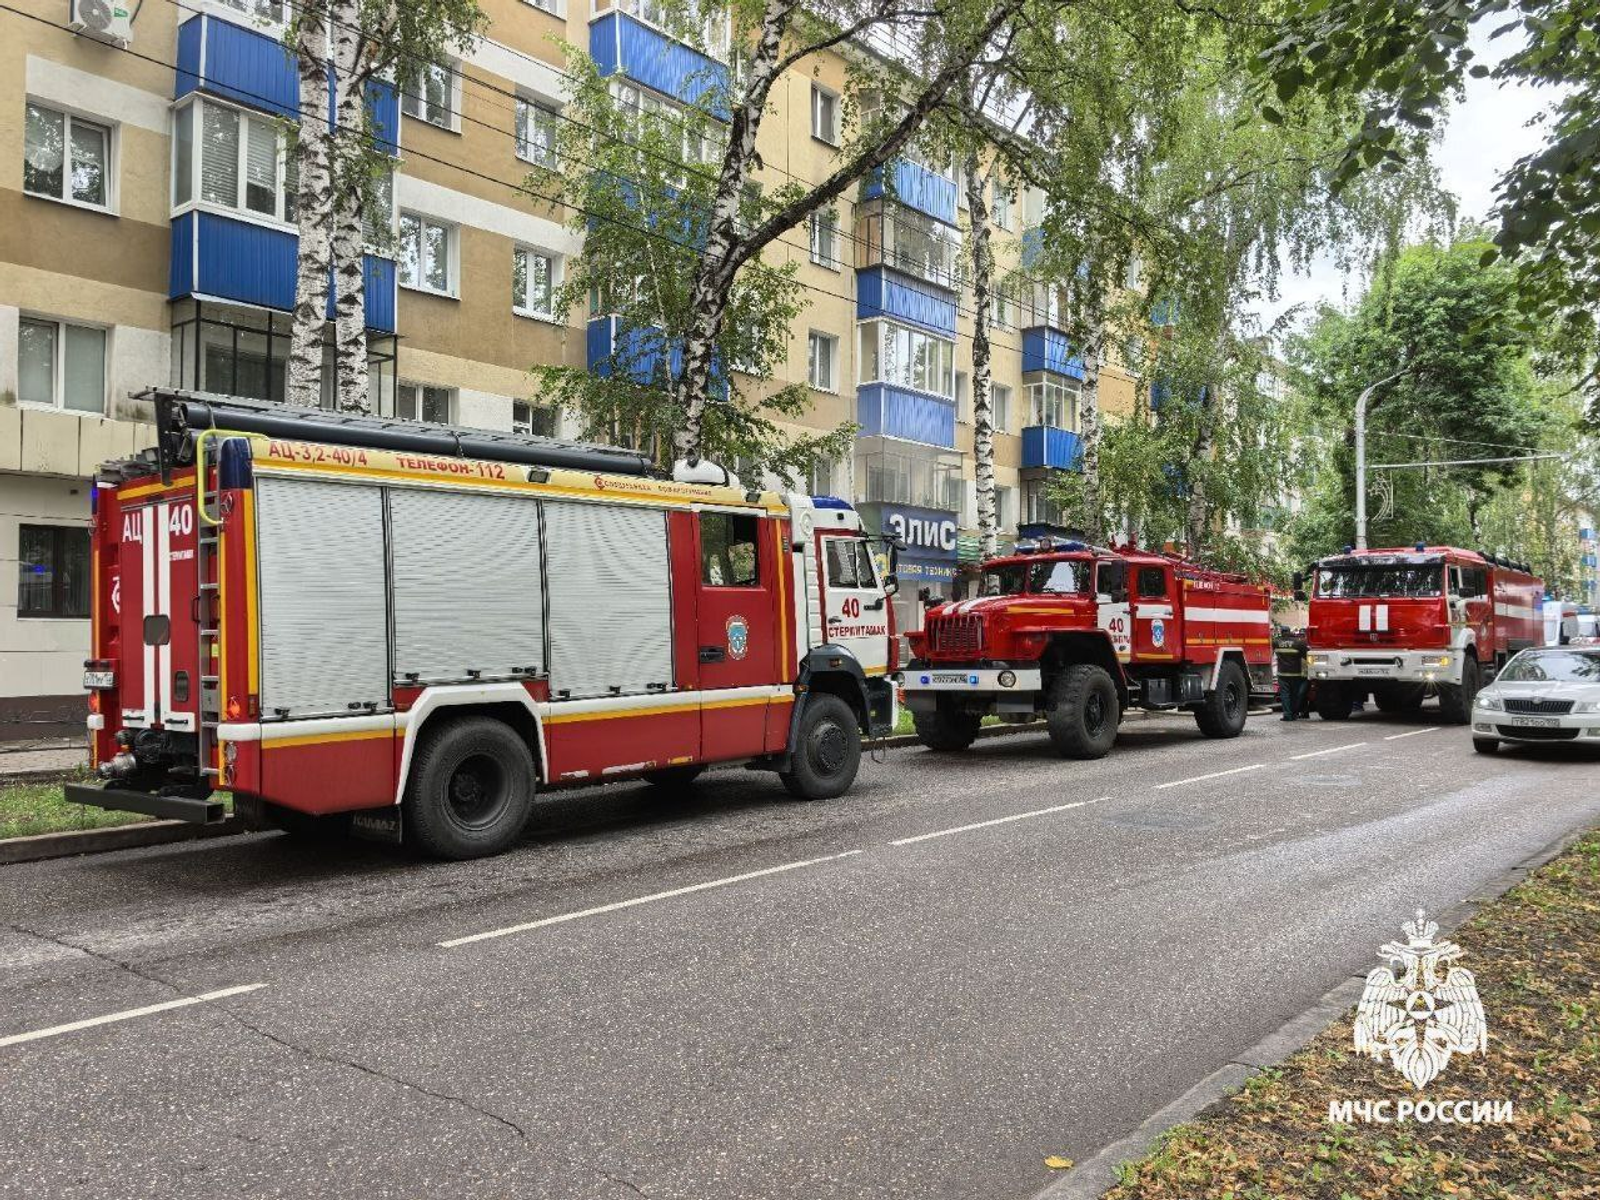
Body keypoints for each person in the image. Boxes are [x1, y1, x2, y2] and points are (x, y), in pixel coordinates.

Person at [1274, 626, 1310, 721]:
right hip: (1296, 674)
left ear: (1281, 632)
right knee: (1294, 695)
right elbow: (1306, 657)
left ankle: (1287, 715)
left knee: (1285, 695)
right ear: (1289, 631)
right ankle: (1294, 714)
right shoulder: (1299, 642)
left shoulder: (1276, 642)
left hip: (1282, 673)